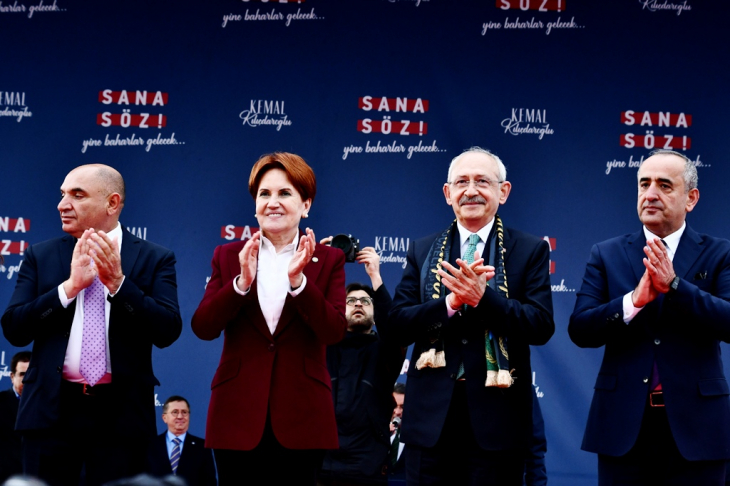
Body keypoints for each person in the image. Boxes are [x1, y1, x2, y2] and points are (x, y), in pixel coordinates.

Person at [1, 164, 183, 486]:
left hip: (122, 421)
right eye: (62, 194)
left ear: (112, 203)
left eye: (77, 194)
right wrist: (68, 289)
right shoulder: (39, 256)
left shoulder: (156, 258)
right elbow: (15, 328)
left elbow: (167, 330)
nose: (62, 204)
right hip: (49, 417)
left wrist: (119, 283)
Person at [389, 147, 555, 485]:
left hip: (498, 423)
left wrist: (483, 299)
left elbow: (540, 325)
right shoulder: (423, 250)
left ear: (502, 192)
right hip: (430, 423)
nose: (471, 190)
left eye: (482, 181)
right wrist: (449, 304)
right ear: (448, 193)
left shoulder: (528, 249)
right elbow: (396, 325)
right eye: (462, 181)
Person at [569, 149, 730, 484]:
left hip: (698, 428)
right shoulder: (607, 253)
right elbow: (581, 329)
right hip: (622, 428)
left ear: (691, 198)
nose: (651, 194)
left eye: (664, 185)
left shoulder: (719, 253)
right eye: (644, 184)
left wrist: (675, 286)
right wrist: (633, 301)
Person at [192, 152, 347, 485]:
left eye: (285, 193)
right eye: (265, 194)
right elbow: (203, 327)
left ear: (306, 205)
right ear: (255, 205)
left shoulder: (329, 259)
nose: (273, 202)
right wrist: (240, 284)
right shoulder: (229, 255)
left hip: (304, 417)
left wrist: (299, 283)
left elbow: (334, 331)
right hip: (236, 415)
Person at [319, 245, 403, 485]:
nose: (358, 304)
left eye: (366, 301)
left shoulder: (386, 351)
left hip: (368, 462)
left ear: (375, 312)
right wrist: (320, 264)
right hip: (322, 459)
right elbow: (310, 310)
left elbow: (394, 328)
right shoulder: (323, 346)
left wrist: (375, 275)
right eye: (351, 301)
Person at [146, 396, 216, 486]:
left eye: (184, 412)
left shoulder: (201, 446)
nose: (180, 417)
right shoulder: (150, 445)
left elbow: (210, 482)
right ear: (164, 418)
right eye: (175, 412)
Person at [0, 351, 31, 482]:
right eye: (22, 374)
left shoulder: (51, 406)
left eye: (31, 375)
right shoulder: (1, 403)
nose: (27, 380)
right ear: (12, 377)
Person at [389, 383, 406, 483]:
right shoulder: (377, 434)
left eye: (402, 407)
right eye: (394, 406)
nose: (397, 412)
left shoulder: (418, 438)